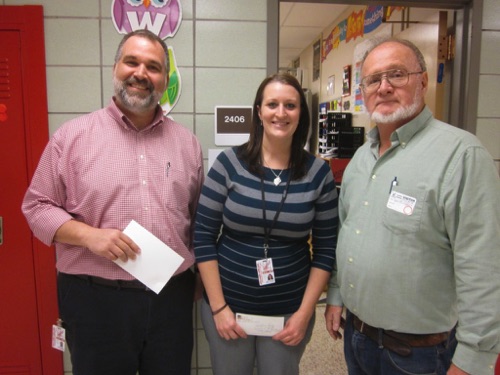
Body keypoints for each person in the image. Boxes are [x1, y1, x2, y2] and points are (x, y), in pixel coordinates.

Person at [22, 29, 204, 375]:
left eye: (153, 67)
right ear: (115, 67)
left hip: (170, 298)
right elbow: (36, 206)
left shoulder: (187, 144)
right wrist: (90, 236)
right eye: (131, 61)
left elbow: (197, 219)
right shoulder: (71, 138)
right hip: (95, 301)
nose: (141, 73)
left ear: (166, 79)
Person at [324, 37, 500, 375]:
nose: (384, 87)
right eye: (373, 79)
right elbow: (347, 235)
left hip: (418, 355)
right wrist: (336, 296)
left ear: (423, 80)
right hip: (357, 339)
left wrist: (473, 360)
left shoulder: (461, 155)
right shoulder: (361, 159)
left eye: (397, 75)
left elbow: (483, 266)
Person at [194, 72, 338, 375]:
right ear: (258, 111)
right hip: (228, 309)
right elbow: (203, 237)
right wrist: (219, 308)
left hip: (289, 313)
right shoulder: (228, 165)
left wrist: (304, 313)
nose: (281, 113)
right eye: (272, 104)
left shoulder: (317, 174)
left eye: (291, 105)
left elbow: (326, 251)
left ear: (301, 114)